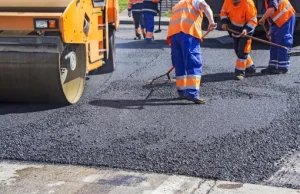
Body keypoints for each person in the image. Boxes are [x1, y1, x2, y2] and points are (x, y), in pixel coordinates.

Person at [166, 0, 217, 104]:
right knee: (193, 63)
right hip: (188, 33)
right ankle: (192, 93)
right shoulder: (195, 1)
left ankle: (182, 92)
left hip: (174, 36)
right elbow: (205, 6)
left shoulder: (178, 4)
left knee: (179, 64)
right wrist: (211, 21)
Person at [220, 0, 258, 80]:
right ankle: (251, 67)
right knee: (237, 49)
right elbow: (223, 12)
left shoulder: (248, 3)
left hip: (246, 30)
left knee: (242, 51)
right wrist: (224, 22)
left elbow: (252, 20)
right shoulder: (228, 1)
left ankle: (240, 72)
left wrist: (246, 30)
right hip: (235, 29)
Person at [259, 0, 296, 74]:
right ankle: (273, 66)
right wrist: (270, 30)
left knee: (283, 42)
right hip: (278, 20)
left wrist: (262, 18)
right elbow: (272, 15)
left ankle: (283, 67)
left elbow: (272, 9)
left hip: (286, 17)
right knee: (274, 43)